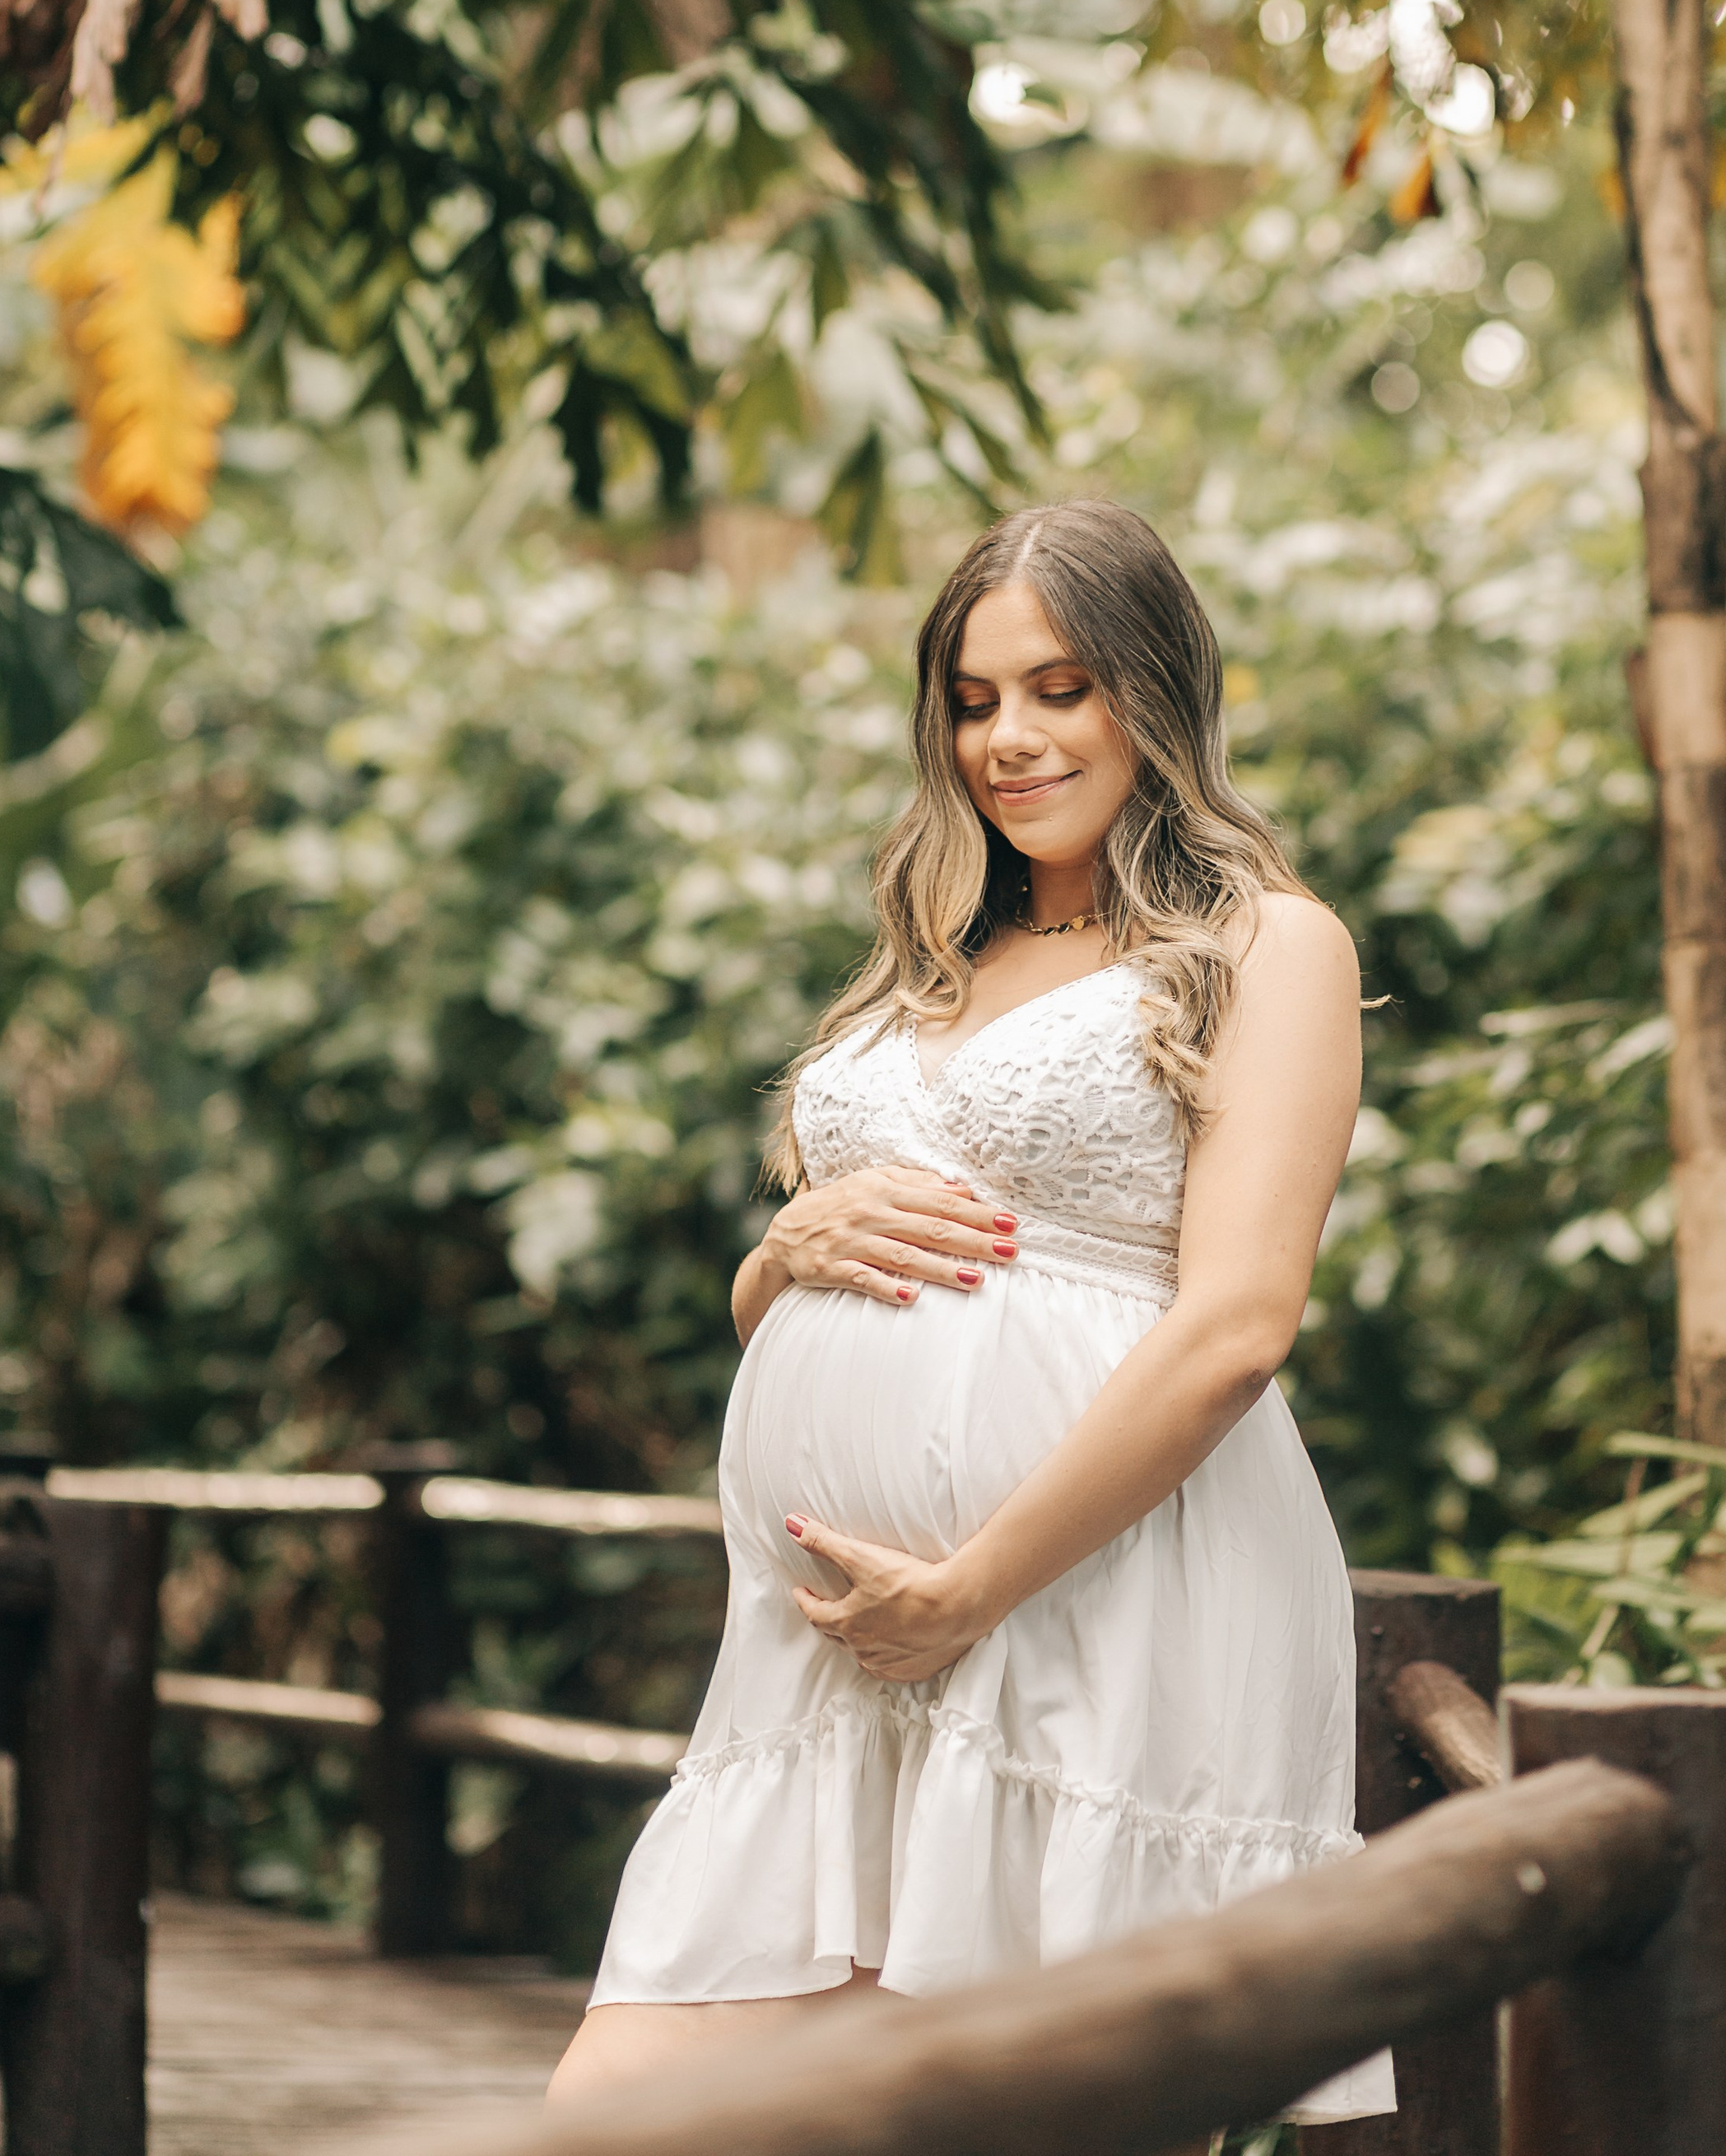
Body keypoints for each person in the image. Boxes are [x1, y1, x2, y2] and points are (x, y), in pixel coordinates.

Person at [549, 499, 1393, 2124]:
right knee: (617, 2110)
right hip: (837, 1660)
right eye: (972, 697)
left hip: (1089, 1602)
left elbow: (1235, 1329)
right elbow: (792, 1299)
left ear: (1153, 690)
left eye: (1058, 688)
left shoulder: (1258, 944)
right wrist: (788, 1250)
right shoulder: (933, 952)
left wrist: (970, 1588)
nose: (1008, 737)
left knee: (991, 2113)